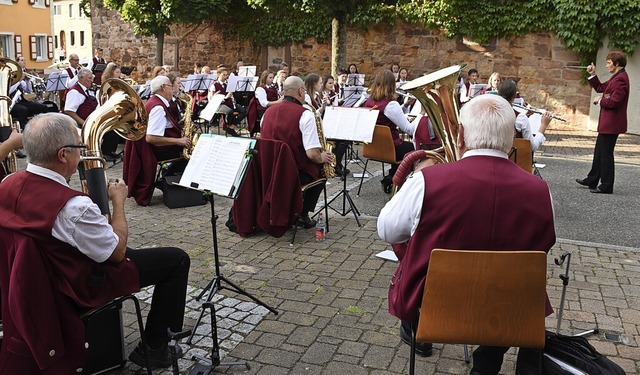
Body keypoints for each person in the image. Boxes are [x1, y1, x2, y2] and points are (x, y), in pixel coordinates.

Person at [377, 94, 556, 374]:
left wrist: (417, 180)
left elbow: (386, 229)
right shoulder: (540, 190)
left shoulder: (428, 181)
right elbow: (545, 244)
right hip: (510, 312)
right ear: (511, 139)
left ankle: (415, 330)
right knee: (510, 282)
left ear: (460, 135)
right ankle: (487, 363)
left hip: (437, 309)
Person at [0, 113, 190, 371]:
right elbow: (117, 253)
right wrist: (119, 201)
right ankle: (155, 349)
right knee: (177, 259)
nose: (82, 153)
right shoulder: (73, 207)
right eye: (79, 147)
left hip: (32, 279)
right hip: (77, 282)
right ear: (63, 155)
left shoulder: (8, 182)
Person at [260, 76, 334, 228]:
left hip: (267, 171)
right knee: (322, 170)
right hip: (292, 174)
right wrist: (323, 157)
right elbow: (312, 154)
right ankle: (302, 214)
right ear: (301, 91)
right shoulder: (305, 114)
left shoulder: (267, 113)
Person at [576, 51, 630, 194]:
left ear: (617, 64)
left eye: (608, 62)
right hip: (608, 123)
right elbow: (601, 87)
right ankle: (592, 179)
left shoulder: (621, 79)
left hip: (612, 124)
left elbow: (615, 102)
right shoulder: (617, 77)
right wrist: (593, 74)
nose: (606, 65)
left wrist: (600, 100)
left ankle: (606, 185)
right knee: (600, 152)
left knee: (606, 154)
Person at [363, 69, 416, 193]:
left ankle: (392, 177)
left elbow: (390, 115)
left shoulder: (369, 101)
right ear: (392, 85)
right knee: (416, 148)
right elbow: (408, 129)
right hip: (390, 149)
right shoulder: (391, 105)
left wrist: (405, 106)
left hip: (373, 147)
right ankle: (396, 181)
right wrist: (422, 116)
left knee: (403, 147)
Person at [498, 79, 552, 151]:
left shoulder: (490, 112)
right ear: (515, 96)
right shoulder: (520, 118)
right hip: (513, 160)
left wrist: (525, 117)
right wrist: (543, 125)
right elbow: (533, 146)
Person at [145, 75, 190, 161]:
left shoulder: (155, 101)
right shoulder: (158, 108)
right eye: (170, 86)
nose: (172, 88)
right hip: (161, 151)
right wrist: (178, 141)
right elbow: (151, 137)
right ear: (164, 87)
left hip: (162, 148)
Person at [9, 56, 54, 131]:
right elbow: (9, 91)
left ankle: (44, 126)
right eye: (22, 60)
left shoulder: (23, 73)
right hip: (12, 103)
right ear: (16, 62)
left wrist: (27, 81)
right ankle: (24, 129)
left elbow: (28, 90)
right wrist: (19, 80)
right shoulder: (11, 75)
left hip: (21, 101)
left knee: (43, 107)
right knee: (23, 110)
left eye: (24, 60)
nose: (24, 62)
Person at [209, 66, 246, 136]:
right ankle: (227, 126)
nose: (225, 77)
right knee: (230, 111)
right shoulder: (214, 85)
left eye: (226, 75)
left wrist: (231, 97)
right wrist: (225, 97)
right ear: (218, 74)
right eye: (224, 75)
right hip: (219, 105)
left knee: (243, 111)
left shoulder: (226, 85)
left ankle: (231, 127)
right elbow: (212, 99)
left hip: (228, 103)